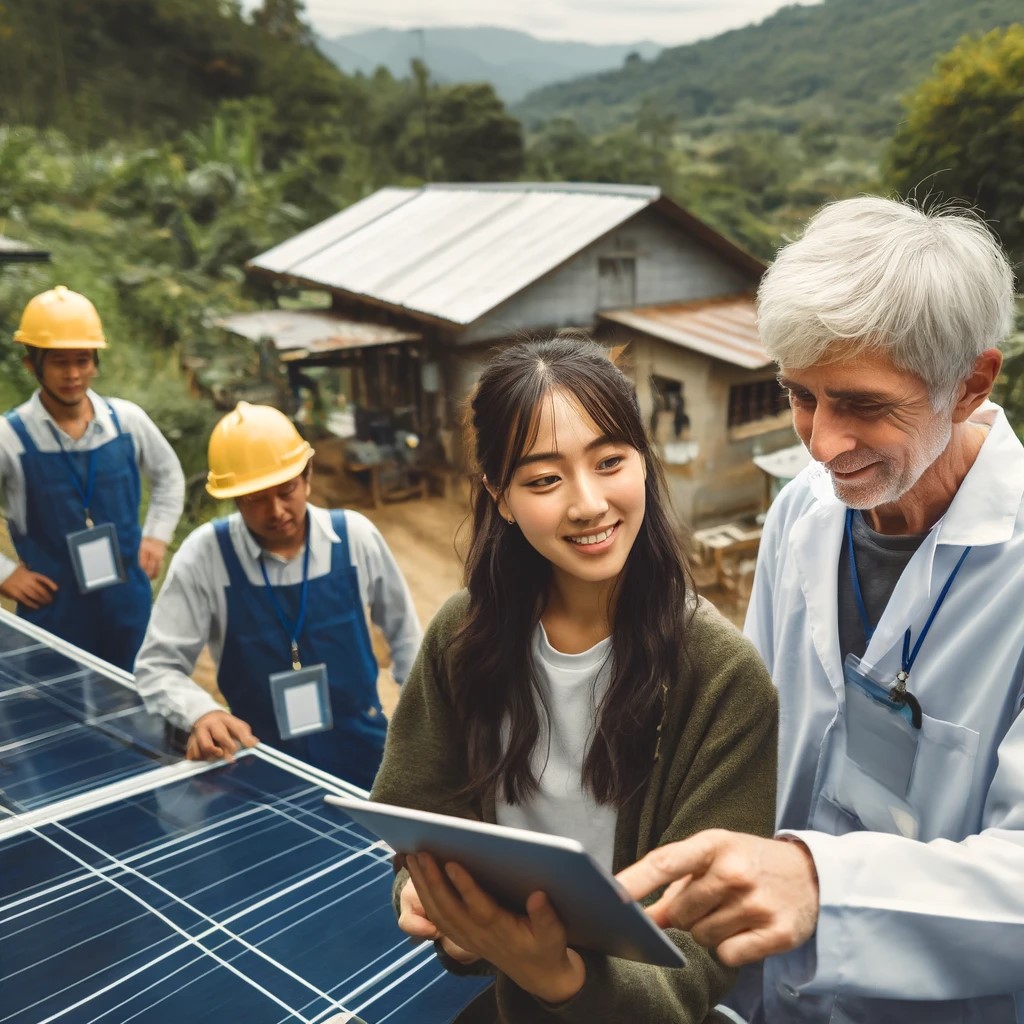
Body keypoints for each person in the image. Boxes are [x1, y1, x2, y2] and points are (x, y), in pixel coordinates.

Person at [618, 197, 1024, 1023]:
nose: (822, 442)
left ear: (971, 381)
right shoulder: (801, 514)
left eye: (865, 406)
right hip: (768, 991)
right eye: (801, 396)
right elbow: (754, 732)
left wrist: (818, 885)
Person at [370, 335, 778, 1022]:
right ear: (500, 498)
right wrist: (428, 892)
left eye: (610, 462)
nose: (588, 504)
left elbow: (703, 949)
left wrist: (559, 976)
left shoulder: (723, 680)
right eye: (543, 479)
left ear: (643, 463)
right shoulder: (460, 636)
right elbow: (419, 814)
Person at [134, 401, 422, 790]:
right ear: (233, 497)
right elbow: (157, 665)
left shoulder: (355, 537)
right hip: (260, 765)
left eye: (286, 490)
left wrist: (421, 732)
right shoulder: (206, 555)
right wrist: (201, 713)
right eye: (255, 499)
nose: (276, 511)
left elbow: (407, 641)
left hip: (365, 756)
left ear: (308, 475)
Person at [0, 285, 184, 671]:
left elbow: (168, 476)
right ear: (32, 364)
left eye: (82, 360)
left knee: (136, 705)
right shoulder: (10, 437)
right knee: (55, 714)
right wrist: (5, 573)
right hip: (53, 608)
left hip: (127, 601)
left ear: (95, 361)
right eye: (59, 362)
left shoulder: (127, 422)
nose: (73, 374)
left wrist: (156, 536)